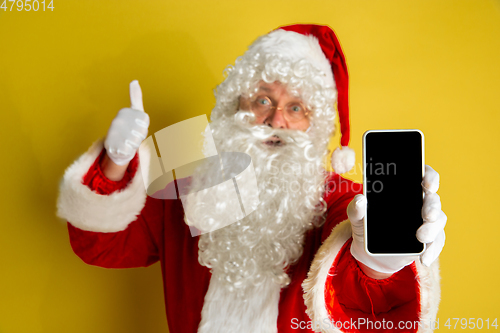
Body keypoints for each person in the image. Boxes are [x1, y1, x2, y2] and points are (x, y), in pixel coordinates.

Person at [57, 24, 446, 333]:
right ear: (233, 106)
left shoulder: (345, 203)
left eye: (296, 107)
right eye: (263, 100)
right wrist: (117, 162)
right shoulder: (186, 195)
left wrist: (378, 262)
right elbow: (102, 246)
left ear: (316, 125)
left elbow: (359, 307)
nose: (276, 120)